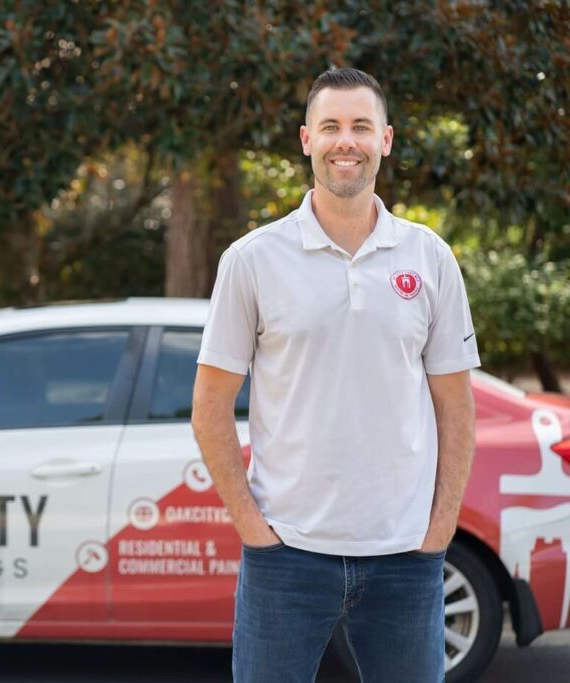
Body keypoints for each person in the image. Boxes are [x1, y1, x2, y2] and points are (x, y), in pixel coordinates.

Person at [191, 67, 479, 682]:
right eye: (330, 126)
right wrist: (254, 530)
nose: (345, 141)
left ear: (386, 140)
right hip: (287, 557)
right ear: (306, 139)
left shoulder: (430, 257)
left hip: (405, 557)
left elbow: (456, 406)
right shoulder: (252, 260)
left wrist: (439, 531)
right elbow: (210, 407)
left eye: (360, 126)